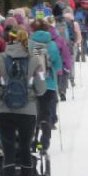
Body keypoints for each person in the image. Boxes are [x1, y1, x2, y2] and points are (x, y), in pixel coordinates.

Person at [0, 27, 47, 176]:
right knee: (26, 147)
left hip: (5, 110)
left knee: (8, 148)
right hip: (27, 111)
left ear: (9, 40)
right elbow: (42, 89)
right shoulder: (35, 60)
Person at [28, 19, 63, 151]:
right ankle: (44, 143)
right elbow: (58, 66)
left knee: (32, 114)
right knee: (46, 114)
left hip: (33, 84)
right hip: (49, 85)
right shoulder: (52, 44)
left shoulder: (30, 44)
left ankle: (33, 141)